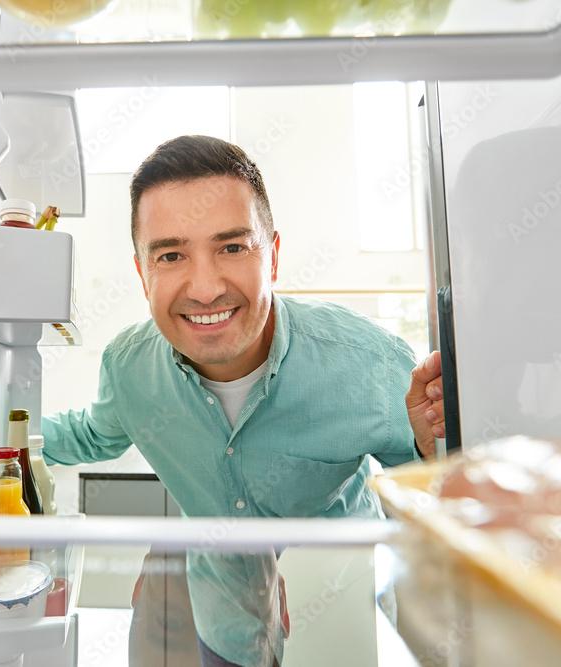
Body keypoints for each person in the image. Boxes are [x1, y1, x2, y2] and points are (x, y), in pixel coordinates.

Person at [41, 135, 446, 667]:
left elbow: (435, 505)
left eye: (232, 247)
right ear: (143, 274)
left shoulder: (369, 364)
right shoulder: (131, 368)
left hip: (337, 614)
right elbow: (91, 435)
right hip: (223, 622)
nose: (205, 288)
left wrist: (429, 446)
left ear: (272, 256)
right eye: (171, 254)